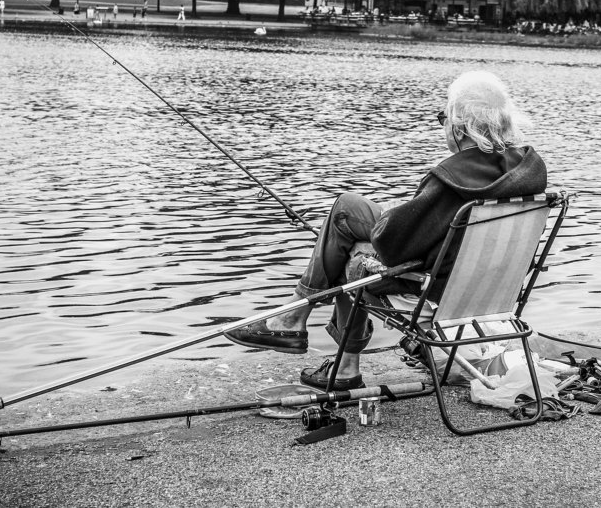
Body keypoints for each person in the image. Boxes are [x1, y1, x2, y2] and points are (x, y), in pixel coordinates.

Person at [224, 71, 547, 389]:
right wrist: (408, 210)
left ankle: (307, 332)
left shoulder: (451, 179)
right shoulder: (527, 171)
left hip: (432, 292)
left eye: (442, 118)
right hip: (489, 289)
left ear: (460, 127)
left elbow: (393, 247)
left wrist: (400, 215)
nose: (443, 127)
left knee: (350, 249)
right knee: (349, 208)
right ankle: (300, 326)